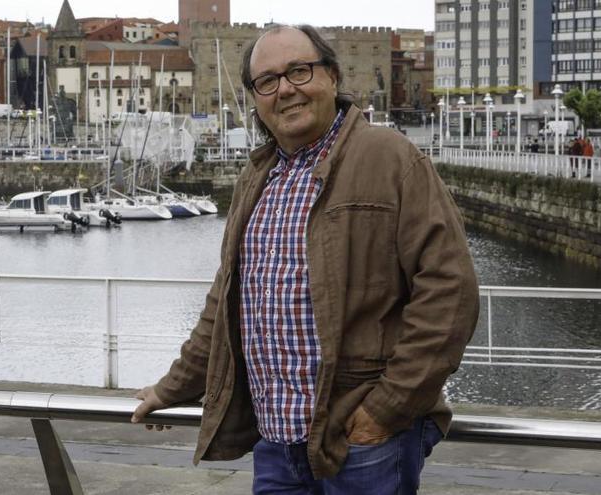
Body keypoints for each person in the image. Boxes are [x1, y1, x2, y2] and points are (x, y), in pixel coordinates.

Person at [131, 24, 479, 494]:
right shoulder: (259, 177)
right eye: (268, 81)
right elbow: (228, 301)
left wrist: (386, 409)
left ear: (332, 76)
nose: (286, 90)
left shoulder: (390, 158)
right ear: (255, 97)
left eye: (299, 71)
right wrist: (172, 388)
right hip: (276, 439)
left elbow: (449, 292)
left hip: (362, 437)